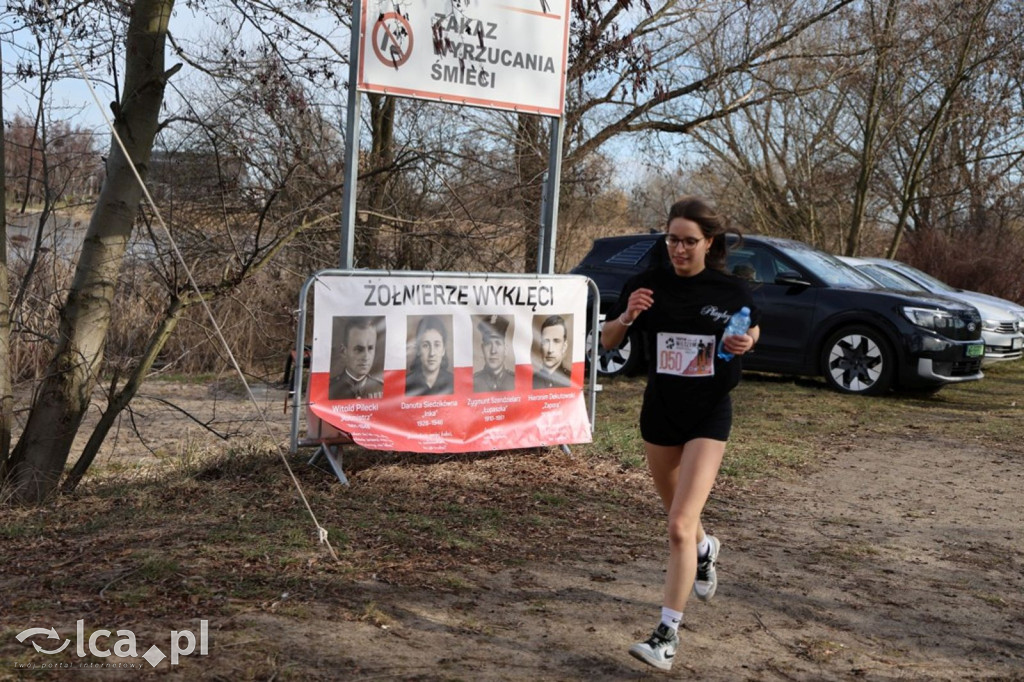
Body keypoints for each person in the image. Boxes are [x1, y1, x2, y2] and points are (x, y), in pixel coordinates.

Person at [600, 197, 761, 672]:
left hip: (709, 415)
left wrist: (746, 341)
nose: (679, 249)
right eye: (673, 240)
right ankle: (705, 550)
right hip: (661, 414)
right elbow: (608, 341)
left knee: (677, 527)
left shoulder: (730, 290)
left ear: (708, 243)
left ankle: (666, 636)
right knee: (682, 522)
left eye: (689, 241)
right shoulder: (645, 286)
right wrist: (627, 316)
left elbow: (753, 329)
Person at [329, 317, 385, 400]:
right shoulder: (330, 389)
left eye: (370, 348)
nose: (366, 357)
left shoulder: (381, 388)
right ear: (344, 351)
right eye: (359, 349)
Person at [405, 315, 455, 396]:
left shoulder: (453, 382)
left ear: (443, 350)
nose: (432, 353)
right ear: (418, 350)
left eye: (437, 345)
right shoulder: (406, 384)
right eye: (426, 345)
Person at [473, 315, 515, 392]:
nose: (493, 351)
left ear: (505, 350)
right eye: (488, 344)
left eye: (498, 343)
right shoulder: (473, 382)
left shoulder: (515, 381)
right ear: (482, 349)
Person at [533, 314, 573, 389]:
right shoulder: (532, 381)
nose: (550, 350)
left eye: (556, 341)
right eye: (546, 341)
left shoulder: (572, 379)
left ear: (564, 346)